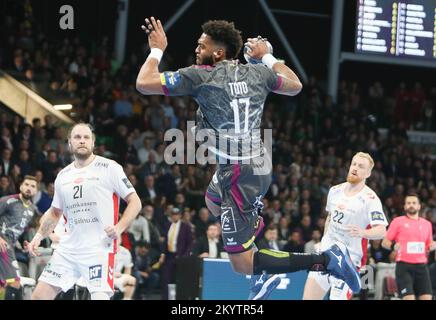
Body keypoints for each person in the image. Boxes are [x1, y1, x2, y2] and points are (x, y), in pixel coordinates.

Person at [136, 17, 361, 300]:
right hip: (252, 162)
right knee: (211, 199)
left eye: (201, 45)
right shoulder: (257, 74)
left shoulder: (200, 75)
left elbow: (144, 83)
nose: (196, 49)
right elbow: (295, 84)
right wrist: (267, 55)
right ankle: (257, 246)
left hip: (242, 174)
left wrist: (157, 50)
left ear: (218, 53)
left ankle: (327, 261)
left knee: (242, 265)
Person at [26, 123, 142, 300]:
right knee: (38, 297)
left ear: (93, 143)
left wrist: (119, 228)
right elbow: (55, 212)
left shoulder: (110, 167)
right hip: (68, 250)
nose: (82, 141)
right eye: (77, 137)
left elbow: (135, 202)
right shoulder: (63, 175)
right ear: (70, 143)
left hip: (99, 249)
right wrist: (38, 237)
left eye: (86, 137)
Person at [303, 152, 388, 300]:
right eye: (354, 164)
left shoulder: (371, 199)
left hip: (349, 263)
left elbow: (382, 230)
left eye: (361, 166)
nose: (355, 168)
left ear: (368, 173)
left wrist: (363, 232)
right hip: (325, 256)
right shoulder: (335, 191)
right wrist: (323, 241)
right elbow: (329, 218)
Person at [382, 194, 435, 300]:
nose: (411, 205)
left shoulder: (427, 224)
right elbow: (384, 242)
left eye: (414, 203)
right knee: (409, 298)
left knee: (427, 297)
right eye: (409, 203)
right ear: (405, 206)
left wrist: (433, 246)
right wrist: (393, 246)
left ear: (419, 206)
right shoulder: (397, 221)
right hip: (404, 266)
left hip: (422, 267)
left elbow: (429, 245)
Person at [0, 176, 39, 299]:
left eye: (32, 186)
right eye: (26, 184)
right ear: (21, 186)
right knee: (14, 282)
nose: (29, 188)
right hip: (2, 244)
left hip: (9, 246)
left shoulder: (32, 210)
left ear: (36, 191)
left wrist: (25, 244)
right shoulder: (8, 200)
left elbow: (21, 230)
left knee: (7, 284)